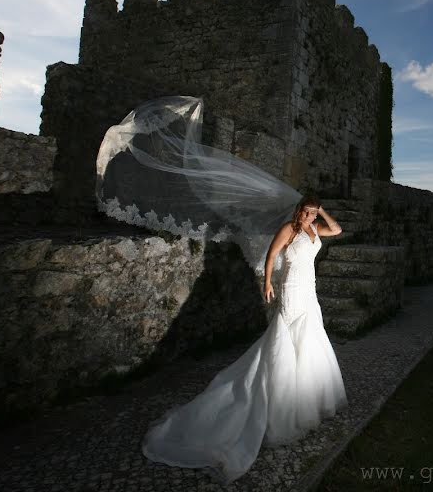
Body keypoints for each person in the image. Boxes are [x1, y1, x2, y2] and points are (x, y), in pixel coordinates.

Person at [141, 194, 348, 483]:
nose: (309, 217)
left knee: (310, 335)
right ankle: (275, 402)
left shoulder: (316, 228)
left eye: (313, 214)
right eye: (307, 212)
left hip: (309, 290)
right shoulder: (290, 228)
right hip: (290, 288)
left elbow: (337, 230)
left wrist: (323, 211)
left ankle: (303, 398)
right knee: (284, 338)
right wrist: (266, 283)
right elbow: (273, 255)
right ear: (298, 211)